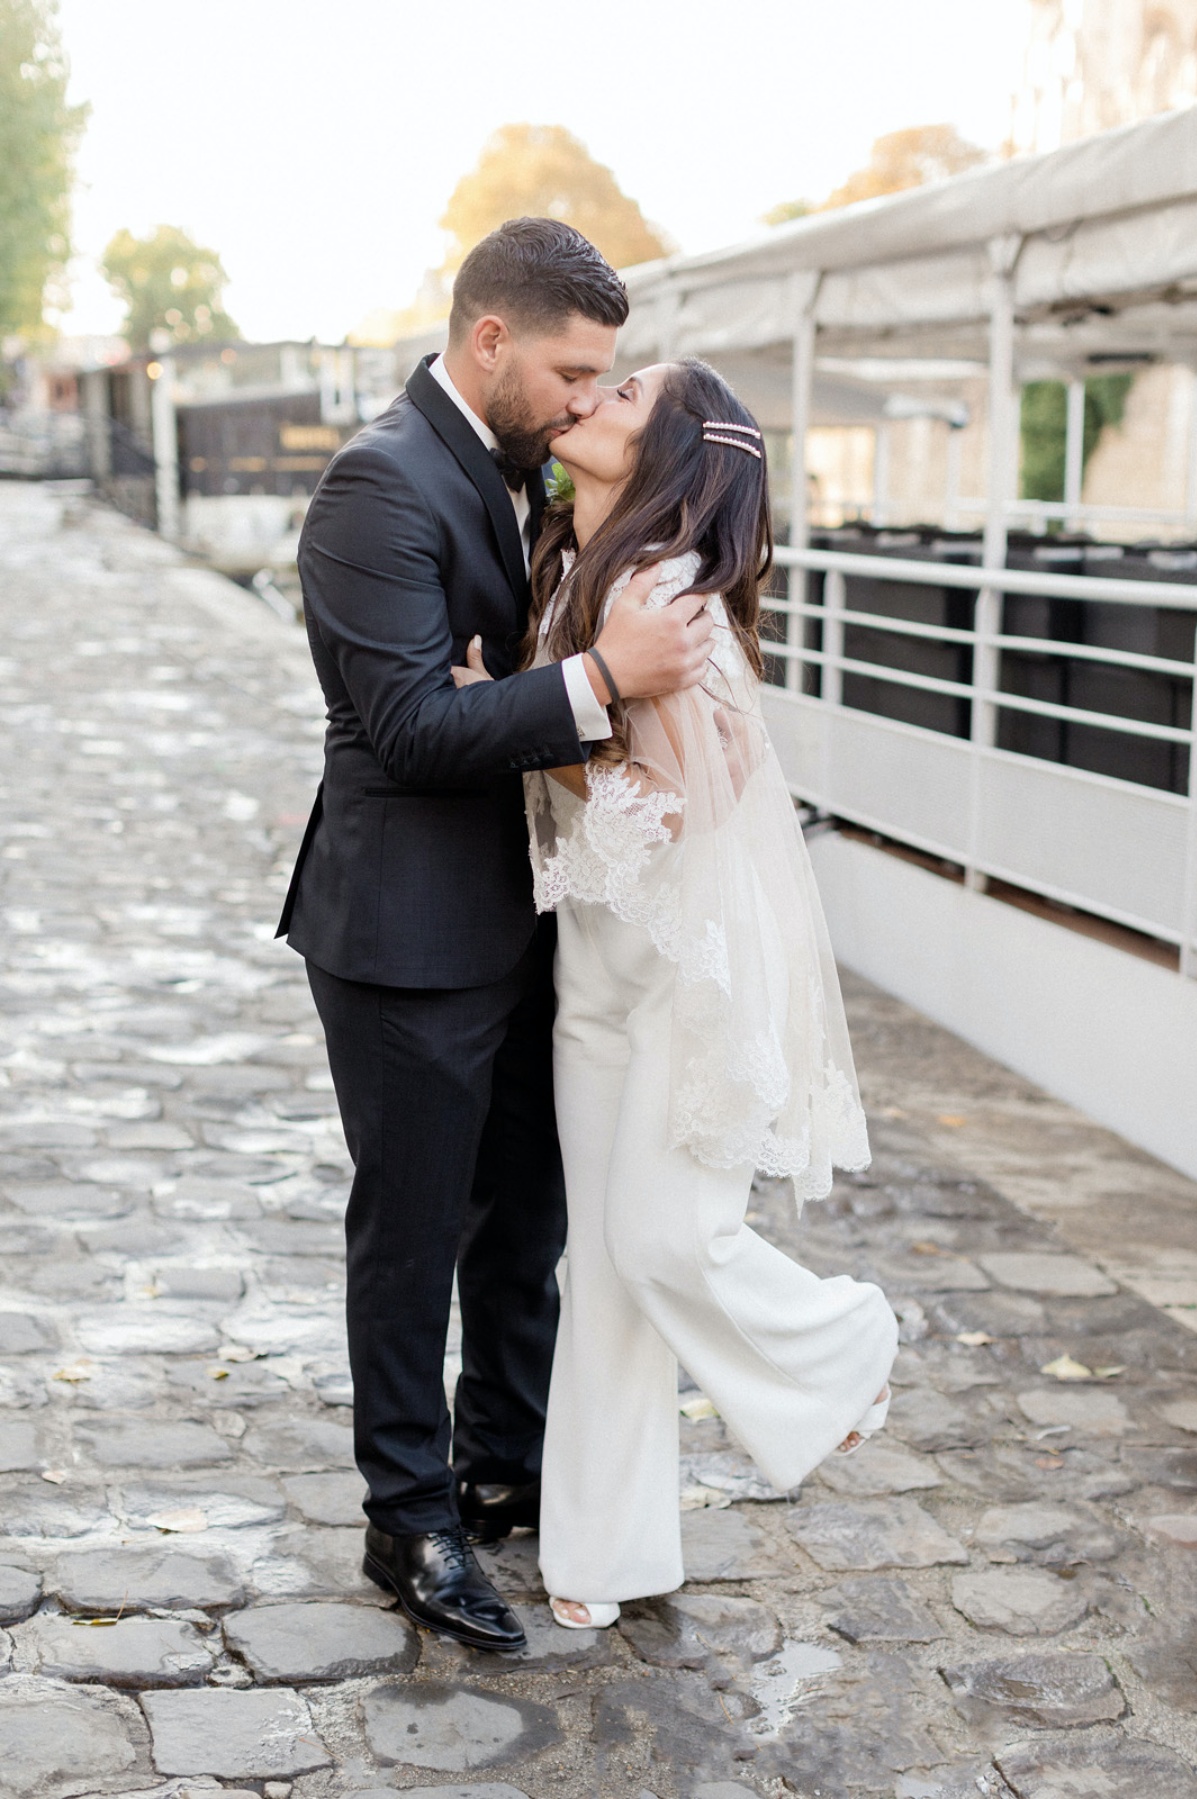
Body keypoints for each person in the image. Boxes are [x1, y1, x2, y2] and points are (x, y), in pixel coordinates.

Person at [277, 220, 716, 1653]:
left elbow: (495, 692)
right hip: (403, 930)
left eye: (605, 376)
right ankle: (405, 1519)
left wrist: (540, 683)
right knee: (410, 1232)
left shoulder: (522, 471)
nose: (590, 399)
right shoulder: (374, 485)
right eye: (573, 371)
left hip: (532, 918)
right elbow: (408, 725)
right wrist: (597, 676)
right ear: (490, 344)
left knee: (521, 1217)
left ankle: (499, 1462)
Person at [454, 357, 898, 1629]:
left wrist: (529, 721)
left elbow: (679, 805)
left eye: (626, 393)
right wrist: (541, 706)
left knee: (666, 1237)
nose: (591, 396)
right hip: (598, 964)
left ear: (670, 461)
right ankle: (606, 1549)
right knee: (601, 1265)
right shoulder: (573, 569)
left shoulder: (664, 593)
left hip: (688, 963)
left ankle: (842, 1345)